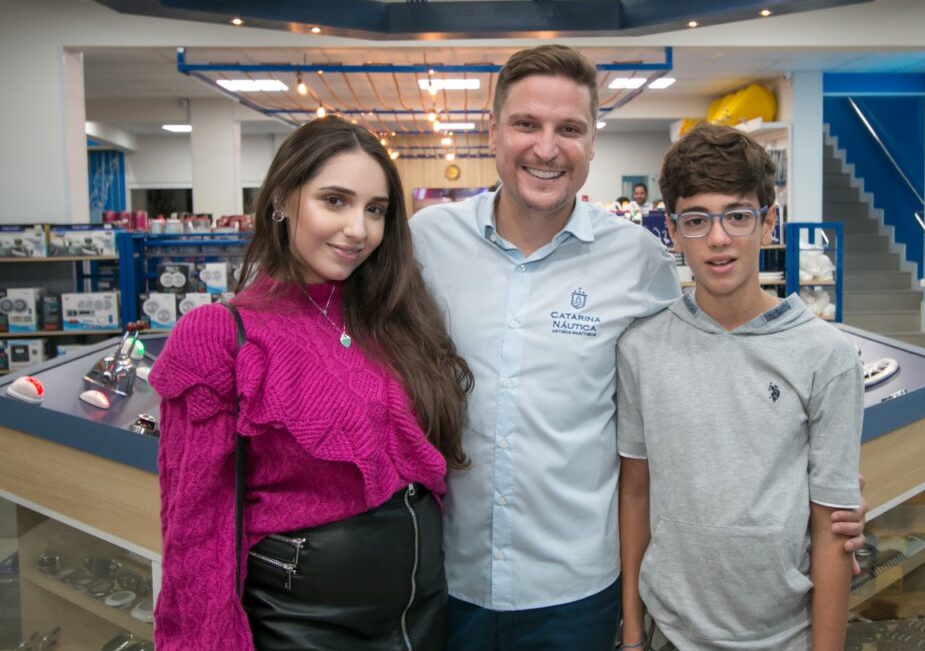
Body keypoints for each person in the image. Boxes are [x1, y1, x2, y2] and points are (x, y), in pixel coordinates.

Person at [410, 45, 867, 650]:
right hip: (448, 574)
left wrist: (836, 502)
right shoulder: (425, 244)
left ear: (592, 142)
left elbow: (719, 372)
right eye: (526, 124)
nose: (547, 148)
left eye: (569, 128)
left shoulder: (639, 261)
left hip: (578, 592)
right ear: (492, 130)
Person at [149, 117, 472, 650]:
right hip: (306, 626)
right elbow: (196, 531)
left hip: (424, 613)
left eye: (375, 210)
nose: (359, 230)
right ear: (282, 199)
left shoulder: (393, 316)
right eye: (335, 200)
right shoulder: (220, 336)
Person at [618, 122, 862, 650]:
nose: (719, 237)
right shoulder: (641, 348)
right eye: (697, 220)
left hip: (783, 634)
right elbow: (636, 492)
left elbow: (833, 528)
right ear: (674, 231)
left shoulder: (827, 356)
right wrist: (634, 635)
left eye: (737, 215)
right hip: (670, 632)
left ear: (768, 223)